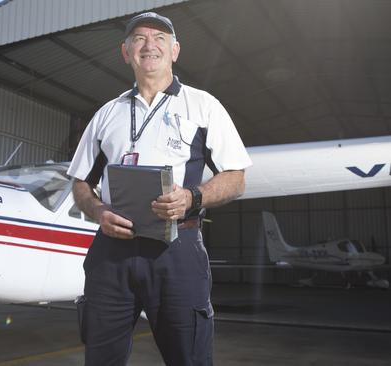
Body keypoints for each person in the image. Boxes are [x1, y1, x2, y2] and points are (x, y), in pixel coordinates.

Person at [67, 12, 252, 366]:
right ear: (125, 52)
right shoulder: (107, 113)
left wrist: (192, 198)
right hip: (112, 253)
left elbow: (236, 178)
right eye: (138, 38)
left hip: (176, 249)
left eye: (160, 38)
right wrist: (99, 212)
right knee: (100, 357)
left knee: (189, 356)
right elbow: (80, 183)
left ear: (175, 50)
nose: (149, 45)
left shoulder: (203, 105)